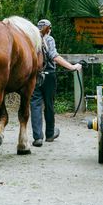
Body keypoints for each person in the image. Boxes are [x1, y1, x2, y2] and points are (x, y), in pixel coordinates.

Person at [31, 19, 82, 147]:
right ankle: (49, 134)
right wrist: (72, 67)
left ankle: (37, 137)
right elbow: (54, 56)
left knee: (35, 104)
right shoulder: (49, 39)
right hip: (49, 75)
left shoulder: (30, 39)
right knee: (49, 104)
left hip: (35, 75)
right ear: (48, 28)